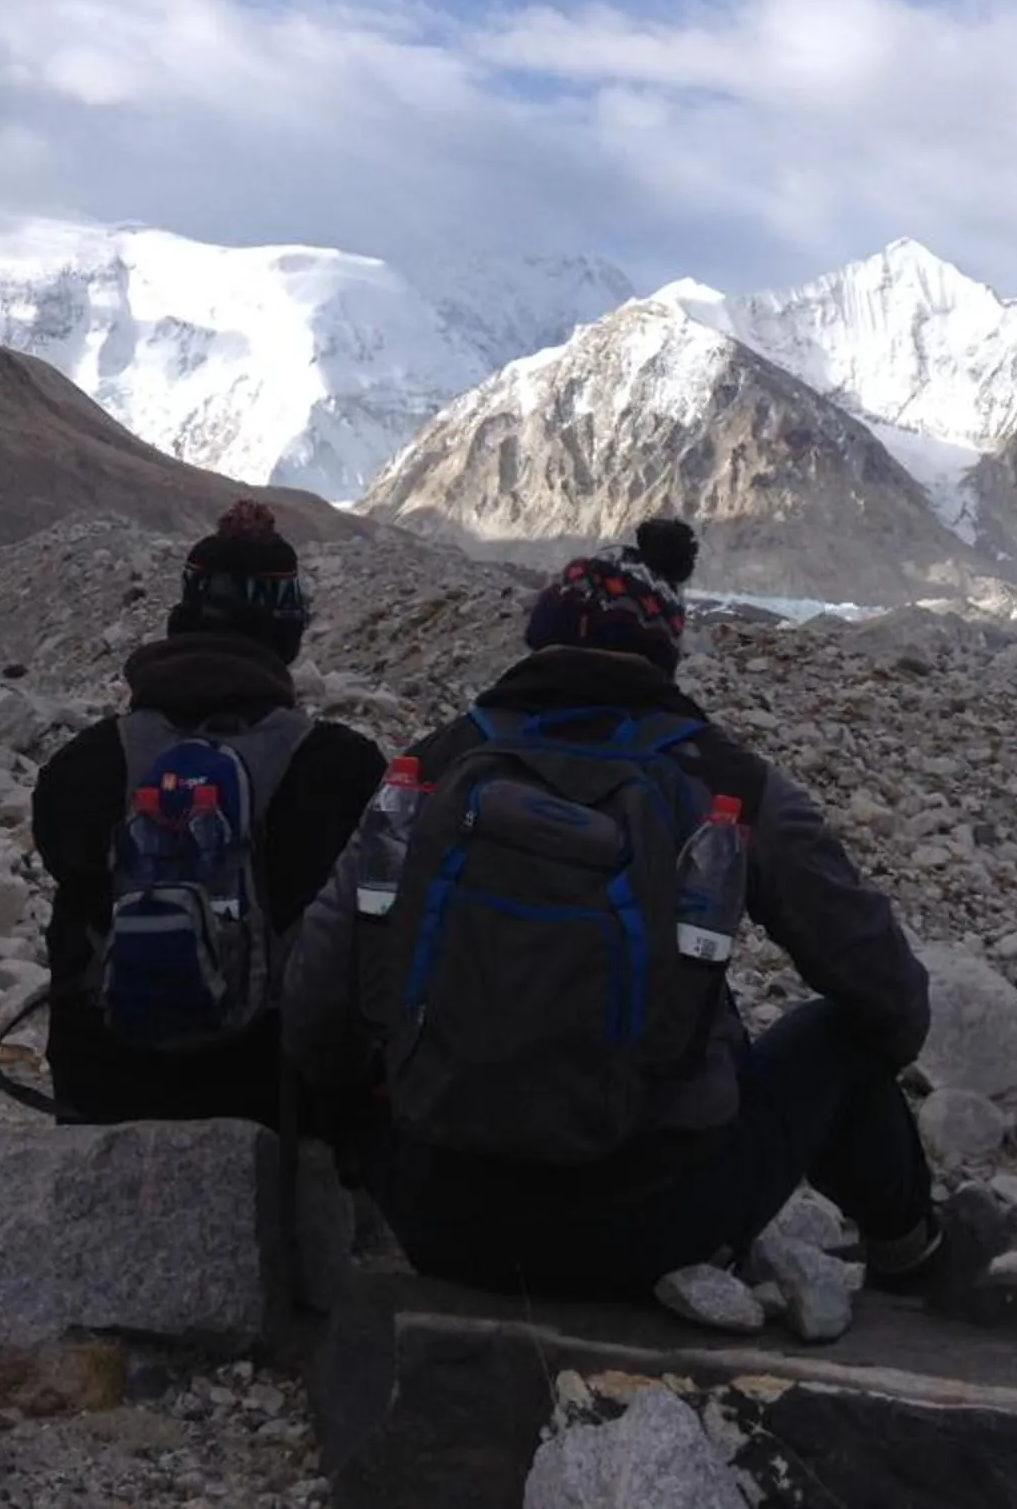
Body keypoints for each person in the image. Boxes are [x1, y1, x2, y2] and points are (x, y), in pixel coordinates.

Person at [284, 518, 950, 1302]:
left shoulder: (432, 766)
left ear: (541, 638)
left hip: (439, 1214)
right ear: (664, 654)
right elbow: (889, 996)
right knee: (838, 1033)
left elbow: (314, 1000)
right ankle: (912, 1262)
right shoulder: (728, 782)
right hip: (657, 1222)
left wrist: (377, 1115)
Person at [30, 504, 385, 1126]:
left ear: (179, 620)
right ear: (289, 634)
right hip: (274, 1111)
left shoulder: (80, 766)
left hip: (105, 1098)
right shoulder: (341, 768)